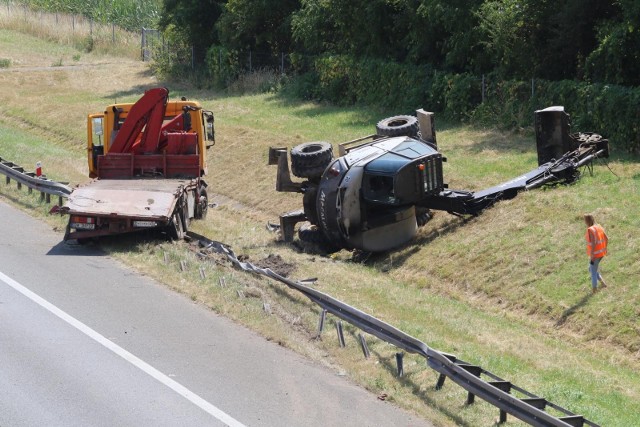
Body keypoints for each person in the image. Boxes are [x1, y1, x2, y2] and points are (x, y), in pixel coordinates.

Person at [584, 214, 608, 293]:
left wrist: (592, 254)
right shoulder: (599, 227)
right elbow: (606, 238)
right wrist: (605, 248)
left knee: (593, 272)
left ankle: (594, 289)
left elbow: (594, 242)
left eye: (585, 220)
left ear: (587, 221)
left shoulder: (590, 229)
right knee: (591, 269)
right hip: (601, 253)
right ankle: (603, 283)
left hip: (596, 254)